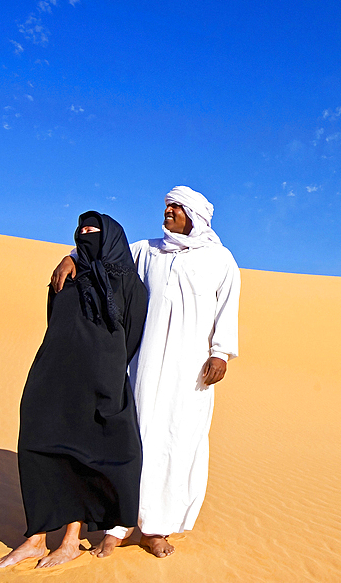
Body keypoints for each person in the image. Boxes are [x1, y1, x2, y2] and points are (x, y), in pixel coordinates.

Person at [50, 186, 241, 559]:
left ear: (195, 215)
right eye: (167, 206)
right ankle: (118, 525)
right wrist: (72, 256)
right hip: (144, 362)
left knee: (176, 442)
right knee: (134, 438)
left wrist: (220, 353)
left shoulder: (220, 260)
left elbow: (227, 309)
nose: (168, 211)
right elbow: (106, 253)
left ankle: (155, 529)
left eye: (176, 207)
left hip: (191, 372)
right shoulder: (146, 250)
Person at [0, 212, 148, 569]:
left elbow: (131, 336)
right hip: (51, 372)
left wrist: (107, 370)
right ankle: (34, 538)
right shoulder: (66, 275)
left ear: (110, 238)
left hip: (99, 379)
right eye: (80, 231)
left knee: (84, 454)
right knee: (37, 446)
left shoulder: (129, 285)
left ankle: (69, 540)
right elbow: (55, 320)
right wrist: (70, 259)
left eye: (93, 231)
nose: (84, 235)